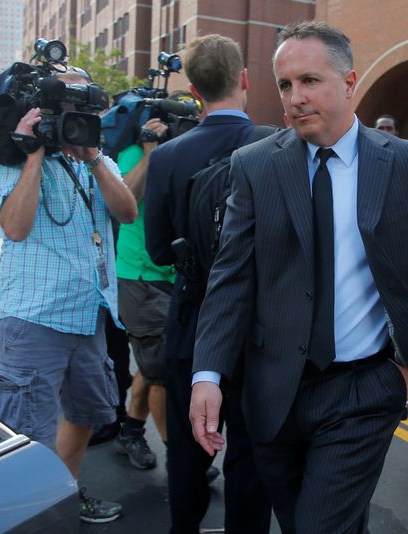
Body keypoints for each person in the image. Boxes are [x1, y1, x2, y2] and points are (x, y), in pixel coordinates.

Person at [188, 21, 408, 534]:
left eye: (310, 81)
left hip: (363, 390)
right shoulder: (254, 167)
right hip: (274, 394)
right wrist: (208, 375)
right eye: (285, 85)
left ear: (349, 81)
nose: (295, 98)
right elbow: (230, 279)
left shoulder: (407, 163)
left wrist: (406, 369)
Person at [0, 68, 137, 524]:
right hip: (34, 317)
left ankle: (62, 494)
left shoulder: (99, 160)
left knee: (87, 412)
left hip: (88, 315)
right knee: (28, 432)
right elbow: (14, 227)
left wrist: (91, 156)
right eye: (65, 103)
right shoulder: (14, 160)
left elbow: (128, 212)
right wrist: (34, 156)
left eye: (82, 104)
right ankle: (24, 516)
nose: (74, 114)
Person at [144, 34, 272, 534]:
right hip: (257, 322)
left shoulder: (169, 156)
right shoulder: (273, 143)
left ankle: (185, 526)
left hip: (192, 317)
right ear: (244, 80)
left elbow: (158, 249)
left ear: (193, 90)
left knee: (188, 441)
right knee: (252, 445)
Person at [113, 116, 171, 469]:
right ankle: (179, 456)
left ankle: (130, 431)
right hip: (139, 275)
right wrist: (149, 153)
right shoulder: (132, 153)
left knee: (152, 367)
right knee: (163, 371)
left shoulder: (179, 150)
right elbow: (126, 202)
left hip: (172, 275)